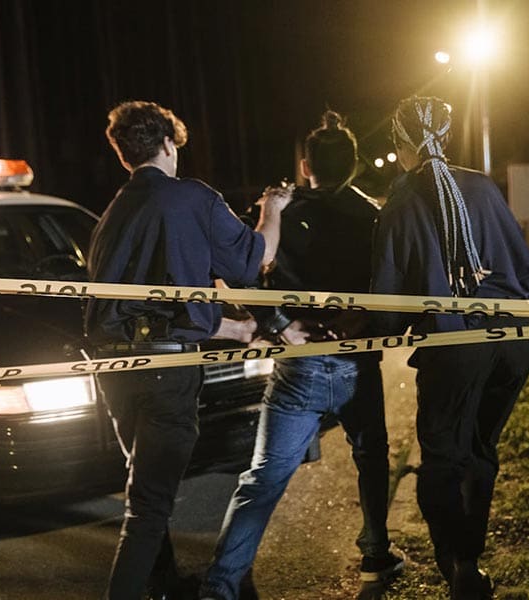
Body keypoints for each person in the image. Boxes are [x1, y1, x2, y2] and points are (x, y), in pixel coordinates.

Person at [86, 100, 291, 600]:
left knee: (144, 482)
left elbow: (153, 306)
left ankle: (165, 584)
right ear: (169, 143)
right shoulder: (191, 198)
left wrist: (236, 332)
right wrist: (272, 210)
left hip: (115, 368)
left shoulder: (112, 215)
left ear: (123, 154)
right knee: (148, 506)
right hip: (166, 371)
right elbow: (253, 261)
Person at [200, 111, 403, 600]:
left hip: (301, 362)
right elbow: (392, 282)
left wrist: (278, 325)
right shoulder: (375, 215)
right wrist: (368, 321)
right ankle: (376, 554)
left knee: (265, 475)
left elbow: (244, 275)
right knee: (371, 456)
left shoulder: (282, 215)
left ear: (306, 165)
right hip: (356, 358)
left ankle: (221, 584)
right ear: (354, 166)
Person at [370, 96, 529, 600]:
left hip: (454, 343)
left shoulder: (401, 201)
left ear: (401, 144)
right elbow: (528, 273)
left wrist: (384, 328)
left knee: (443, 458)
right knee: (481, 449)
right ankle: (471, 558)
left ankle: (459, 566)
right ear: (444, 138)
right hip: (513, 341)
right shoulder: (485, 187)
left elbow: (385, 304)